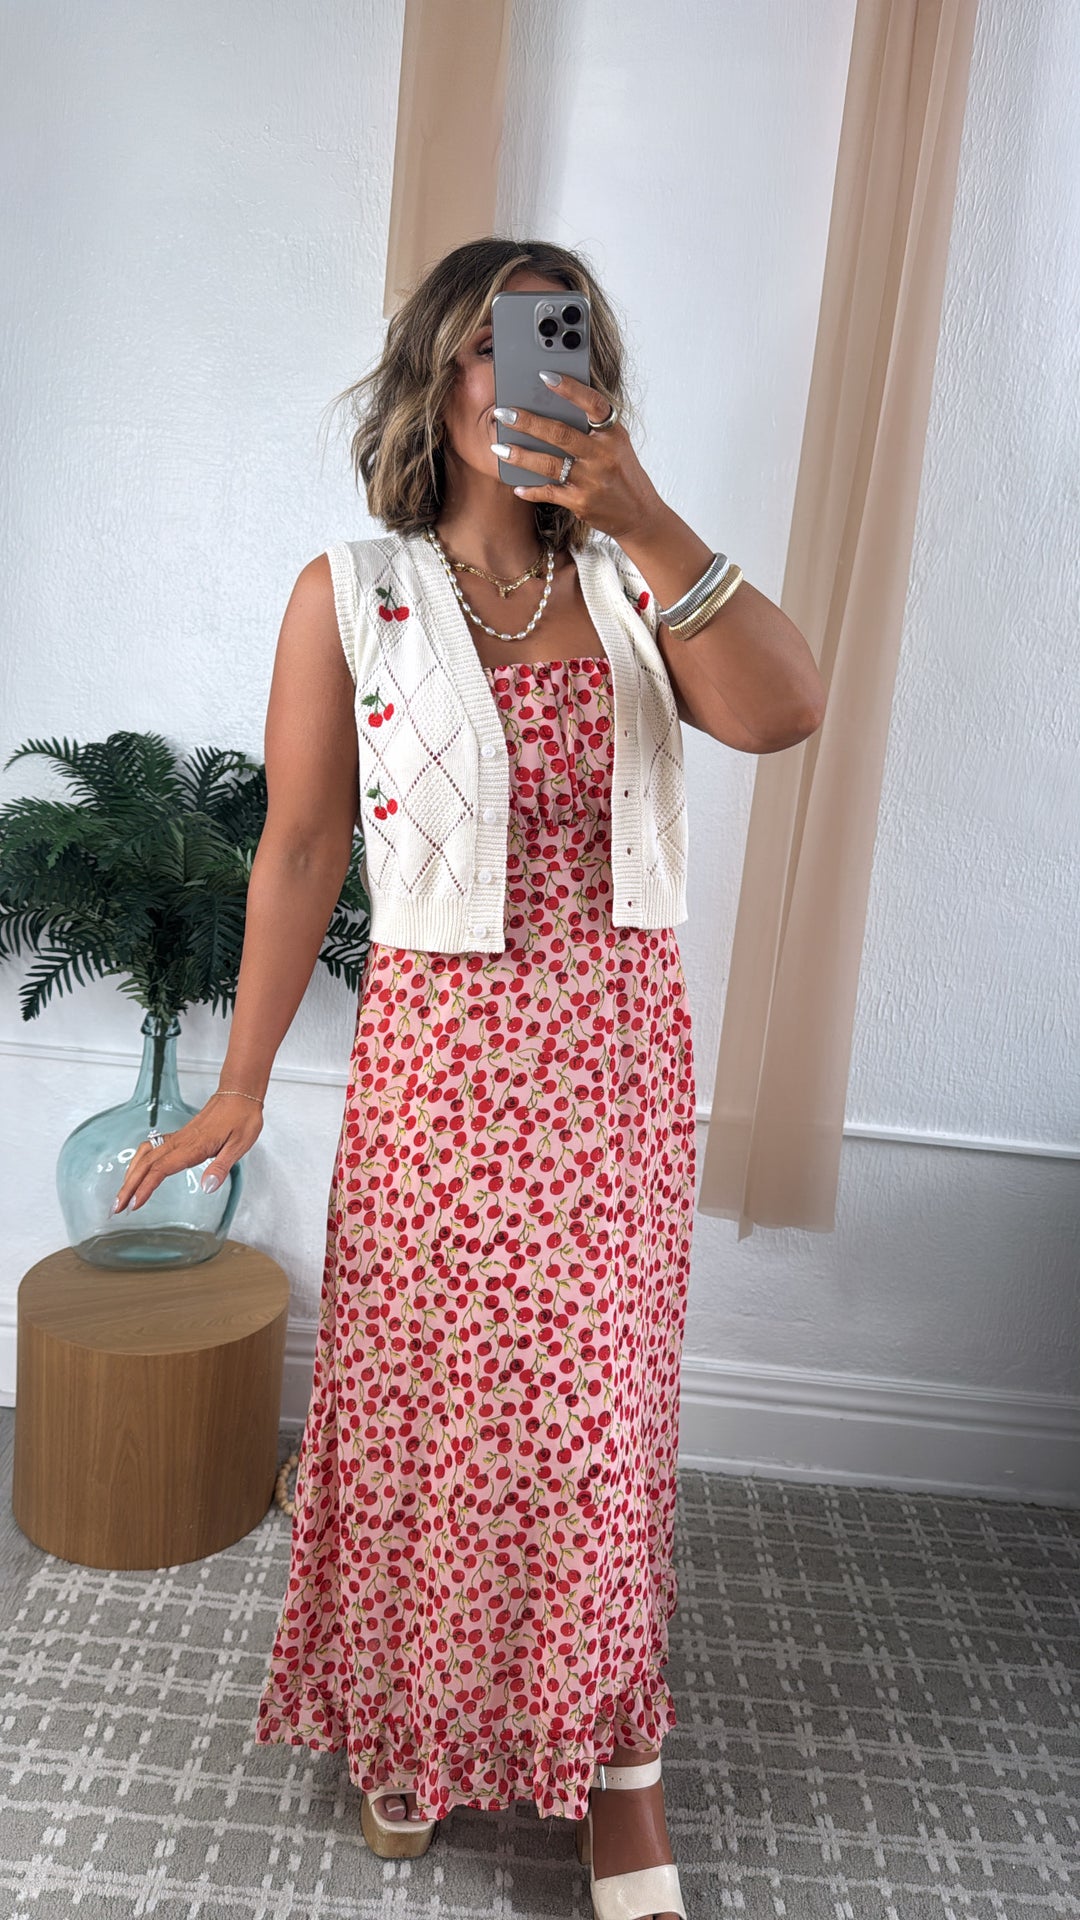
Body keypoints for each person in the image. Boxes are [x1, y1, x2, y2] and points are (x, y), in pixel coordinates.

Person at [112, 238, 824, 1920]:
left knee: (597, 1428)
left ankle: (622, 1768)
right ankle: (412, 1722)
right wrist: (240, 1084)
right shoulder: (350, 594)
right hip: (438, 1077)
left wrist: (644, 511)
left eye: (568, 340)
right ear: (441, 375)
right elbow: (299, 850)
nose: (540, 369)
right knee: (426, 1420)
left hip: (614, 1068)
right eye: (506, 339)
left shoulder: (641, 583)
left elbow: (786, 712)